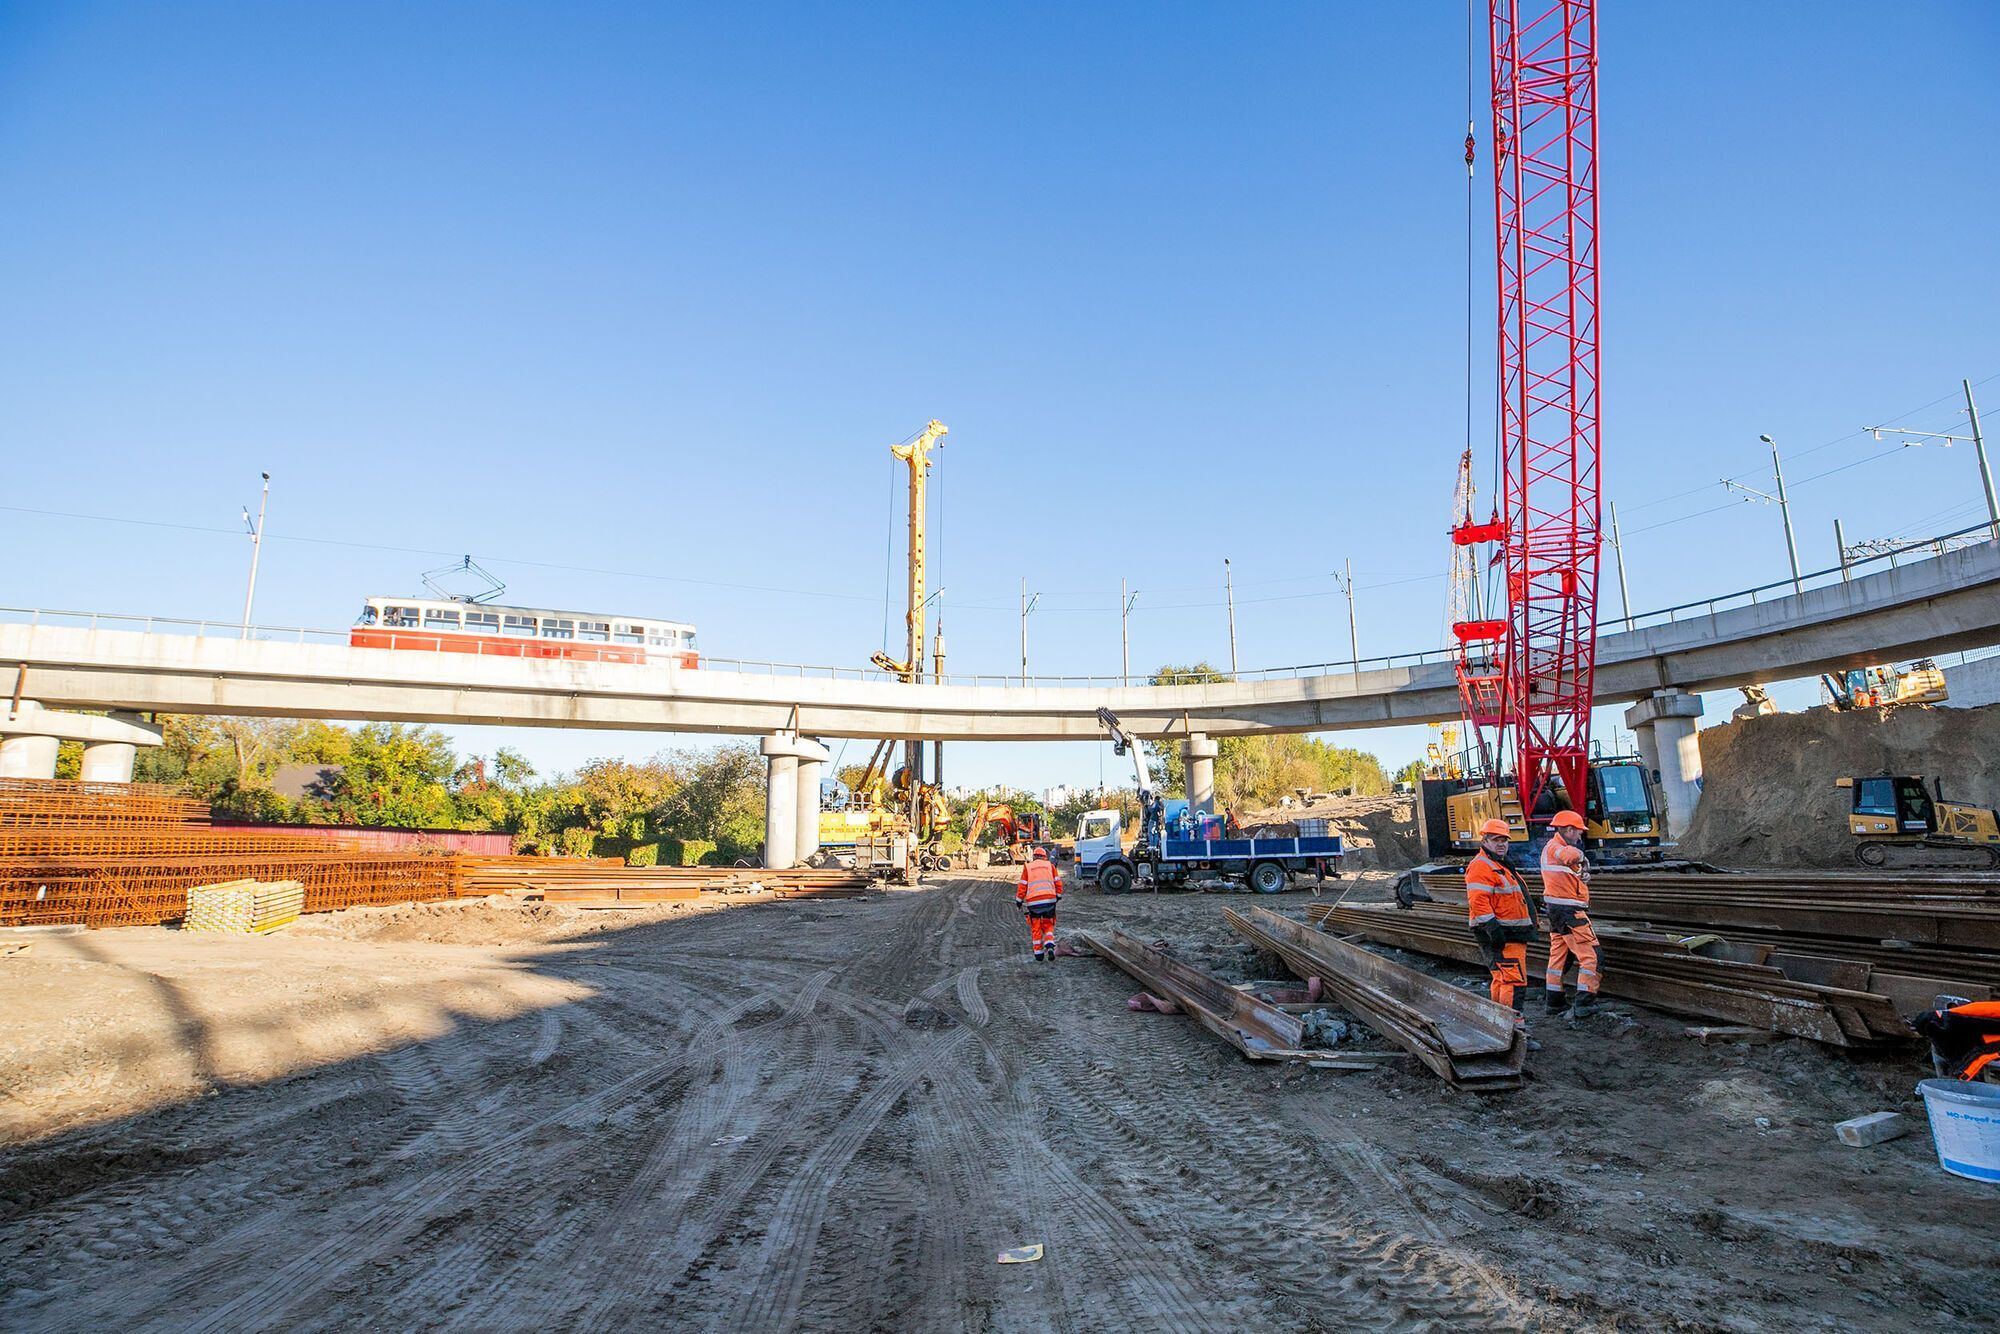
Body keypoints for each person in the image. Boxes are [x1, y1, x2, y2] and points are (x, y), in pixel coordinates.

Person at [1465, 817, 1536, 1025]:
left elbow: (1507, 896)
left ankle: (1498, 1025)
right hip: (1503, 933)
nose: (1501, 843)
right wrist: (1493, 929)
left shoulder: (1499, 864)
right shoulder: (1483, 866)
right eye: (1496, 839)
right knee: (1513, 981)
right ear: (1485, 841)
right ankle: (1514, 1029)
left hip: (1506, 932)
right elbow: (1478, 901)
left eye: (1505, 839)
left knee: (1501, 978)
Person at [1540, 809, 1602, 1017]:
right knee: (1592, 956)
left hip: (1557, 911)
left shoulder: (1553, 848)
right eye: (1578, 832)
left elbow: (1572, 872)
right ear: (1568, 829)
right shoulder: (1556, 847)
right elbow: (1569, 856)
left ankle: (1554, 1001)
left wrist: (1582, 873)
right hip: (1569, 911)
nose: (1579, 836)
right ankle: (1585, 1003)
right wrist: (1583, 857)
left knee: (1560, 956)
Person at [1016, 845, 1064, 962]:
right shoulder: (1050, 866)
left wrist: (1019, 900)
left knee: (1036, 927)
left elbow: (1023, 885)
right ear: (1044, 857)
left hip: (1034, 903)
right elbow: (1058, 882)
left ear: (1034, 856)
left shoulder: (1028, 867)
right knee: (1048, 925)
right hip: (1049, 901)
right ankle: (1049, 945)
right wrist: (1058, 895)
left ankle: (1039, 954)